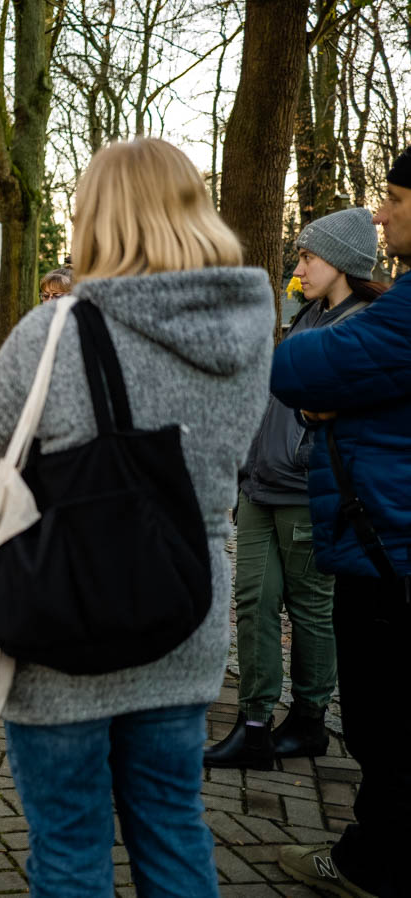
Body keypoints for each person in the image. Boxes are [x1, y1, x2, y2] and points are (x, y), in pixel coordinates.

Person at [0, 138, 273, 896]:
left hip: (64, 617)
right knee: (174, 829)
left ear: (97, 220)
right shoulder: (247, 328)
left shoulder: (57, 330)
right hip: (184, 611)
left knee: (70, 849)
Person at [271, 148, 411, 898]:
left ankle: (372, 864)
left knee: (383, 721)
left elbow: (294, 369)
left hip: (386, 543)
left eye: (394, 198)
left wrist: (332, 388)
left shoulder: (396, 311)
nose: (381, 212)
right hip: (371, 532)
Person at [205, 208, 384, 771]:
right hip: (260, 486)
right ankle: (254, 723)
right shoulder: (307, 315)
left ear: (343, 262)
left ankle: (308, 721)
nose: (299, 268)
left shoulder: (364, 324)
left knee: (309, 610)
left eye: (309, 257)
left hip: (311, 492)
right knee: (253, 600)